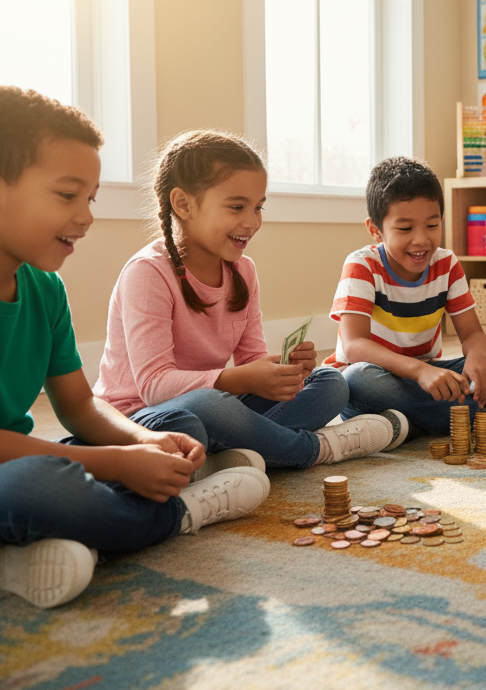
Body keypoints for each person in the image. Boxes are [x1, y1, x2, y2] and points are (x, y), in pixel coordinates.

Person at [0, 88, 268, 608]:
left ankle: (24, 549)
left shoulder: (45, 288)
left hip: (7, 468)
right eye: (67, 195)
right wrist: (119, 464)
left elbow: (78, 405)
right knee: (40, 485)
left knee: (172, 427)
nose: (86, 216)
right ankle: (183, 513)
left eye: (91, 198)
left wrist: (139, 444)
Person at [94, 130, 393, 470]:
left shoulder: (243, 271)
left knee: (331, 383)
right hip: (144, 419)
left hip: (220, 403)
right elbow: (154, 386)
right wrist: (238, 380)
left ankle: (231, 454)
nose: (252, 222)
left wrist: (284, 369)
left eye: (258, 207)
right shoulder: (148, 273)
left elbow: (250, 359)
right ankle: (314, 448)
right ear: (183, 204)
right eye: (237, 207)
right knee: (208, 408)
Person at [327, 156, 486, 435]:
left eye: (432, 225)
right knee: (356, 380)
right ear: (375, 230)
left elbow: (473, 334)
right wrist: (419, 372)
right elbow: (354, 345)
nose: (421, 239)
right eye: (405, 228)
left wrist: (477, 360)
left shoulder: (447, 264)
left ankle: (409, 424)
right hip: (377, 376)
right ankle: (475, 415)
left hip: (429, 376)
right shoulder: (362, 265)